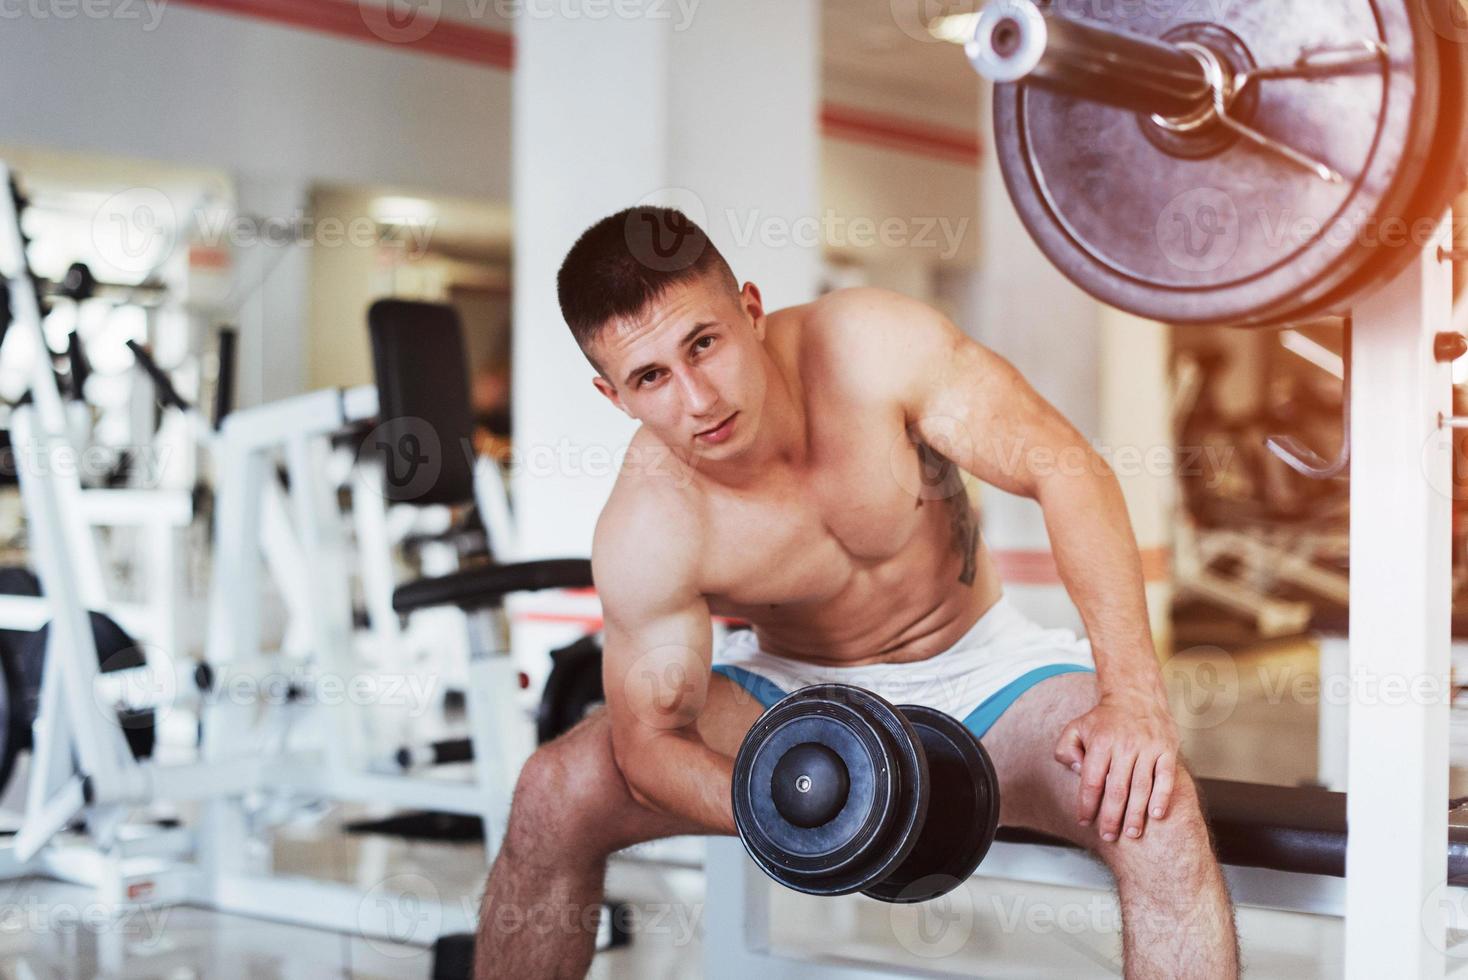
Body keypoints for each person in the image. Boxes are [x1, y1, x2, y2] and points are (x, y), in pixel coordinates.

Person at [475, 207, 1238, 979]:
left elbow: (1063, 466)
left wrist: (1133, 698)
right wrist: (794, 805)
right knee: (554, 788)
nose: (698, 399)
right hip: (790, 693)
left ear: (750, 309)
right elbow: (648, 748)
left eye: (703, 344)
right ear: (615, 398)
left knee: (1155, 810)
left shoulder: (876, 345)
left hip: (986, 673)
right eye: (652, 378)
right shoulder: (651, 520)